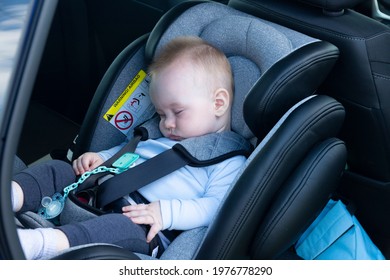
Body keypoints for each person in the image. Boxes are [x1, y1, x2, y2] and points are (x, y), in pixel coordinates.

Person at [12, 36, 249, 260]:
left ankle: (40, 244)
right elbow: (125, 155)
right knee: (58, 169)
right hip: (97, 192)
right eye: (160, 114)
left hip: (143, 226)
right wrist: (99, 158)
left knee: (116, 227)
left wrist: (166, 213)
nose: (166, 123)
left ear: (218, 103)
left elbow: (216, 207)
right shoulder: (157, 136)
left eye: (177, 112)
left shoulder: (228, 161)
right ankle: (11, 195)